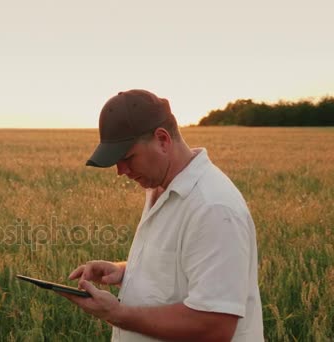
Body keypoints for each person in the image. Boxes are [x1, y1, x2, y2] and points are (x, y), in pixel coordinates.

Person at [59, 89, 264, 341]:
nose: (120, 171)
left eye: (127, 158)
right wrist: (124, 271)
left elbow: (214, 325)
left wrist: (116, 313)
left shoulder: (213, 208)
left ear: (163, 140)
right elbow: (180, 267)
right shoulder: (161, 187)